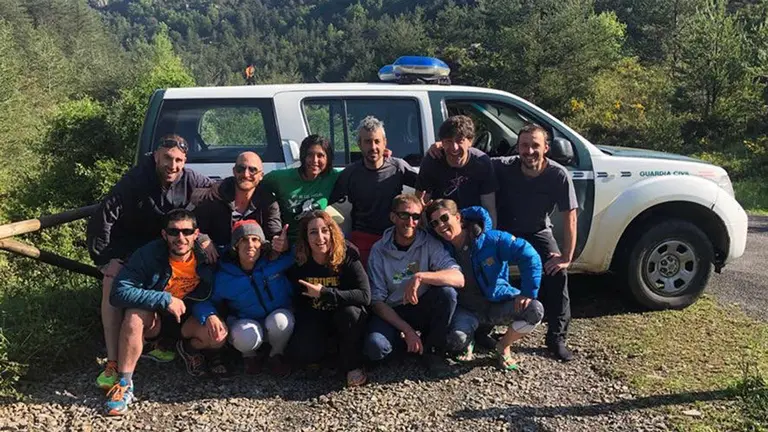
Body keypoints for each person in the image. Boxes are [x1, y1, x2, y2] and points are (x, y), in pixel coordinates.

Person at [87, 134, 217, 391]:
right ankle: (113, 362)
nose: (173, 165)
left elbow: (223, 190)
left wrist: (203, 235)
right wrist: (103, 260)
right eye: (167, 158)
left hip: (167, 248)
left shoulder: (190, 178)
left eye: (179, 160)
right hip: (134, 250)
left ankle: (160, 341)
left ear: (185, 161)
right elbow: (104, 216)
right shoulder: (135, 180)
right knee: (112, 284)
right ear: (156, 156)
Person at [104, 209, 223, 416]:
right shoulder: (148, 254)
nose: (181, 238)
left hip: (187, 318)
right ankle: (124, 383)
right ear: (164, 234)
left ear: (197, 234)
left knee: (217, 337)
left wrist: (210, 313)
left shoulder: (207, 256)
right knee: (133, 316)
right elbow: (119, 292)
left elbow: (245, 253)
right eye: (174, 232)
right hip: (155, 318)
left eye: (187, 232)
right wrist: (164, 298)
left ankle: (185, 349)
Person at [493, 123, 579, 361]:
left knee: (557, 274)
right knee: (485, 267)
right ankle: (483, 329)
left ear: (546, 148)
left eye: (535, 145)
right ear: (517, 147)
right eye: (524, 145)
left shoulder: (558, 174)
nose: (529, 151)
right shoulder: (503, 166)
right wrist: (439, 146)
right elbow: (473, 160)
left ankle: (556, 338)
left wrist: (566, 257)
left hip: (538, 231)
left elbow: (570, 216)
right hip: (506, 230)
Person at [425, 199, 544, 370]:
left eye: (445, 218)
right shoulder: (439, 248)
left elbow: (528, 254)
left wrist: (527, 291)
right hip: (466, 309)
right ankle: (471, 337)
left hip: (496, 303)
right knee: (454, 342)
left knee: (534, 310)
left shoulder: (491, 239)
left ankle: (503, 345)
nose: (441, 226)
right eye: (435, 223)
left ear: (458, 217)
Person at [363, 194, 464, 377]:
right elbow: (376, 301)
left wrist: (421, 276)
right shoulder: (378, 250)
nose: (410, 222)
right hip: (393, 310)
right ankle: (408, 345)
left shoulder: (430, 244)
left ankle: (433, 351)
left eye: (416, 217)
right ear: (393, 217)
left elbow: (458, 277)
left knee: (447, 293)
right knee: (375, 348)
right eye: (404, 215)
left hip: (420, 305)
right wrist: (407, 330)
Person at [192, 220, 295, 376]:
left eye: (255, 239)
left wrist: (287, 244)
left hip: (275, 318)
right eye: (244, 240)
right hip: (245, 320)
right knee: (245, 335)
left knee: (281, 321)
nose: (250, 244)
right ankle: (249, 357)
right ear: (236, 246)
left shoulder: (274, 262)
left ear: (262, 244)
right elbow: (204, 300)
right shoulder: (223, 275)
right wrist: (209, 315)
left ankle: (276, 355)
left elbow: (300, 252)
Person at [285, 211, 371, 387]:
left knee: (349, 315)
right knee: (301, 352)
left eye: (325, 230)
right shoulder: (300, 261)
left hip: (345, 315)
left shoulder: (348, 254)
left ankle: (352, 365)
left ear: (333, 232)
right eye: (313, 232)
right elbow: (297, 298)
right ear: (305, 237)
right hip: (316, 315)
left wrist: (325, 293)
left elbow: (365, 295)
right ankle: (324, 354)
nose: (320, 237)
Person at [330, 116, 418, 266]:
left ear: (385, 143)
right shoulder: (350, 173)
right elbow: (326, 198)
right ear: (359, 144)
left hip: (394, 236)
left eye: (377, 141)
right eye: (367, 142)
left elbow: (427, 183)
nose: (373, 147)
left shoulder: (398, 167)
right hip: (362, 239)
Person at [416, 115, 498, 226]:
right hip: (440, 226)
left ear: (470, 141)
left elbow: (489, 208)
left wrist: (489, 237)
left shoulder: (482, 162)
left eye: (460, 141)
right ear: (442, 142)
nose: (454, 147)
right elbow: (420, 205)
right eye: (449, 141)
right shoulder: (432, 161)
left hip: (472, 225)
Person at [194, 151, 283, 249]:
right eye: (241, 169)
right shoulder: (215, 194)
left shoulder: (268, 201)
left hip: (254, 255)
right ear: (234, 171)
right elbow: (195, 227)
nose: (246, 174)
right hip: (219, 254)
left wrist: (278, 241)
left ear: (261, 175)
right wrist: (203, 239)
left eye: (252, 170)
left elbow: (274, 233)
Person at [262, 135, 340, 242]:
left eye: (320, 155)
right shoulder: (280, 178)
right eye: (310, 155)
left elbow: (357, 171)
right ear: (303, 156)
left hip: (317, 241)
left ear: (328, 159)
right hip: (288, 242)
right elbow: (254, 184)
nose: (314, 160)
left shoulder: (332, 177)